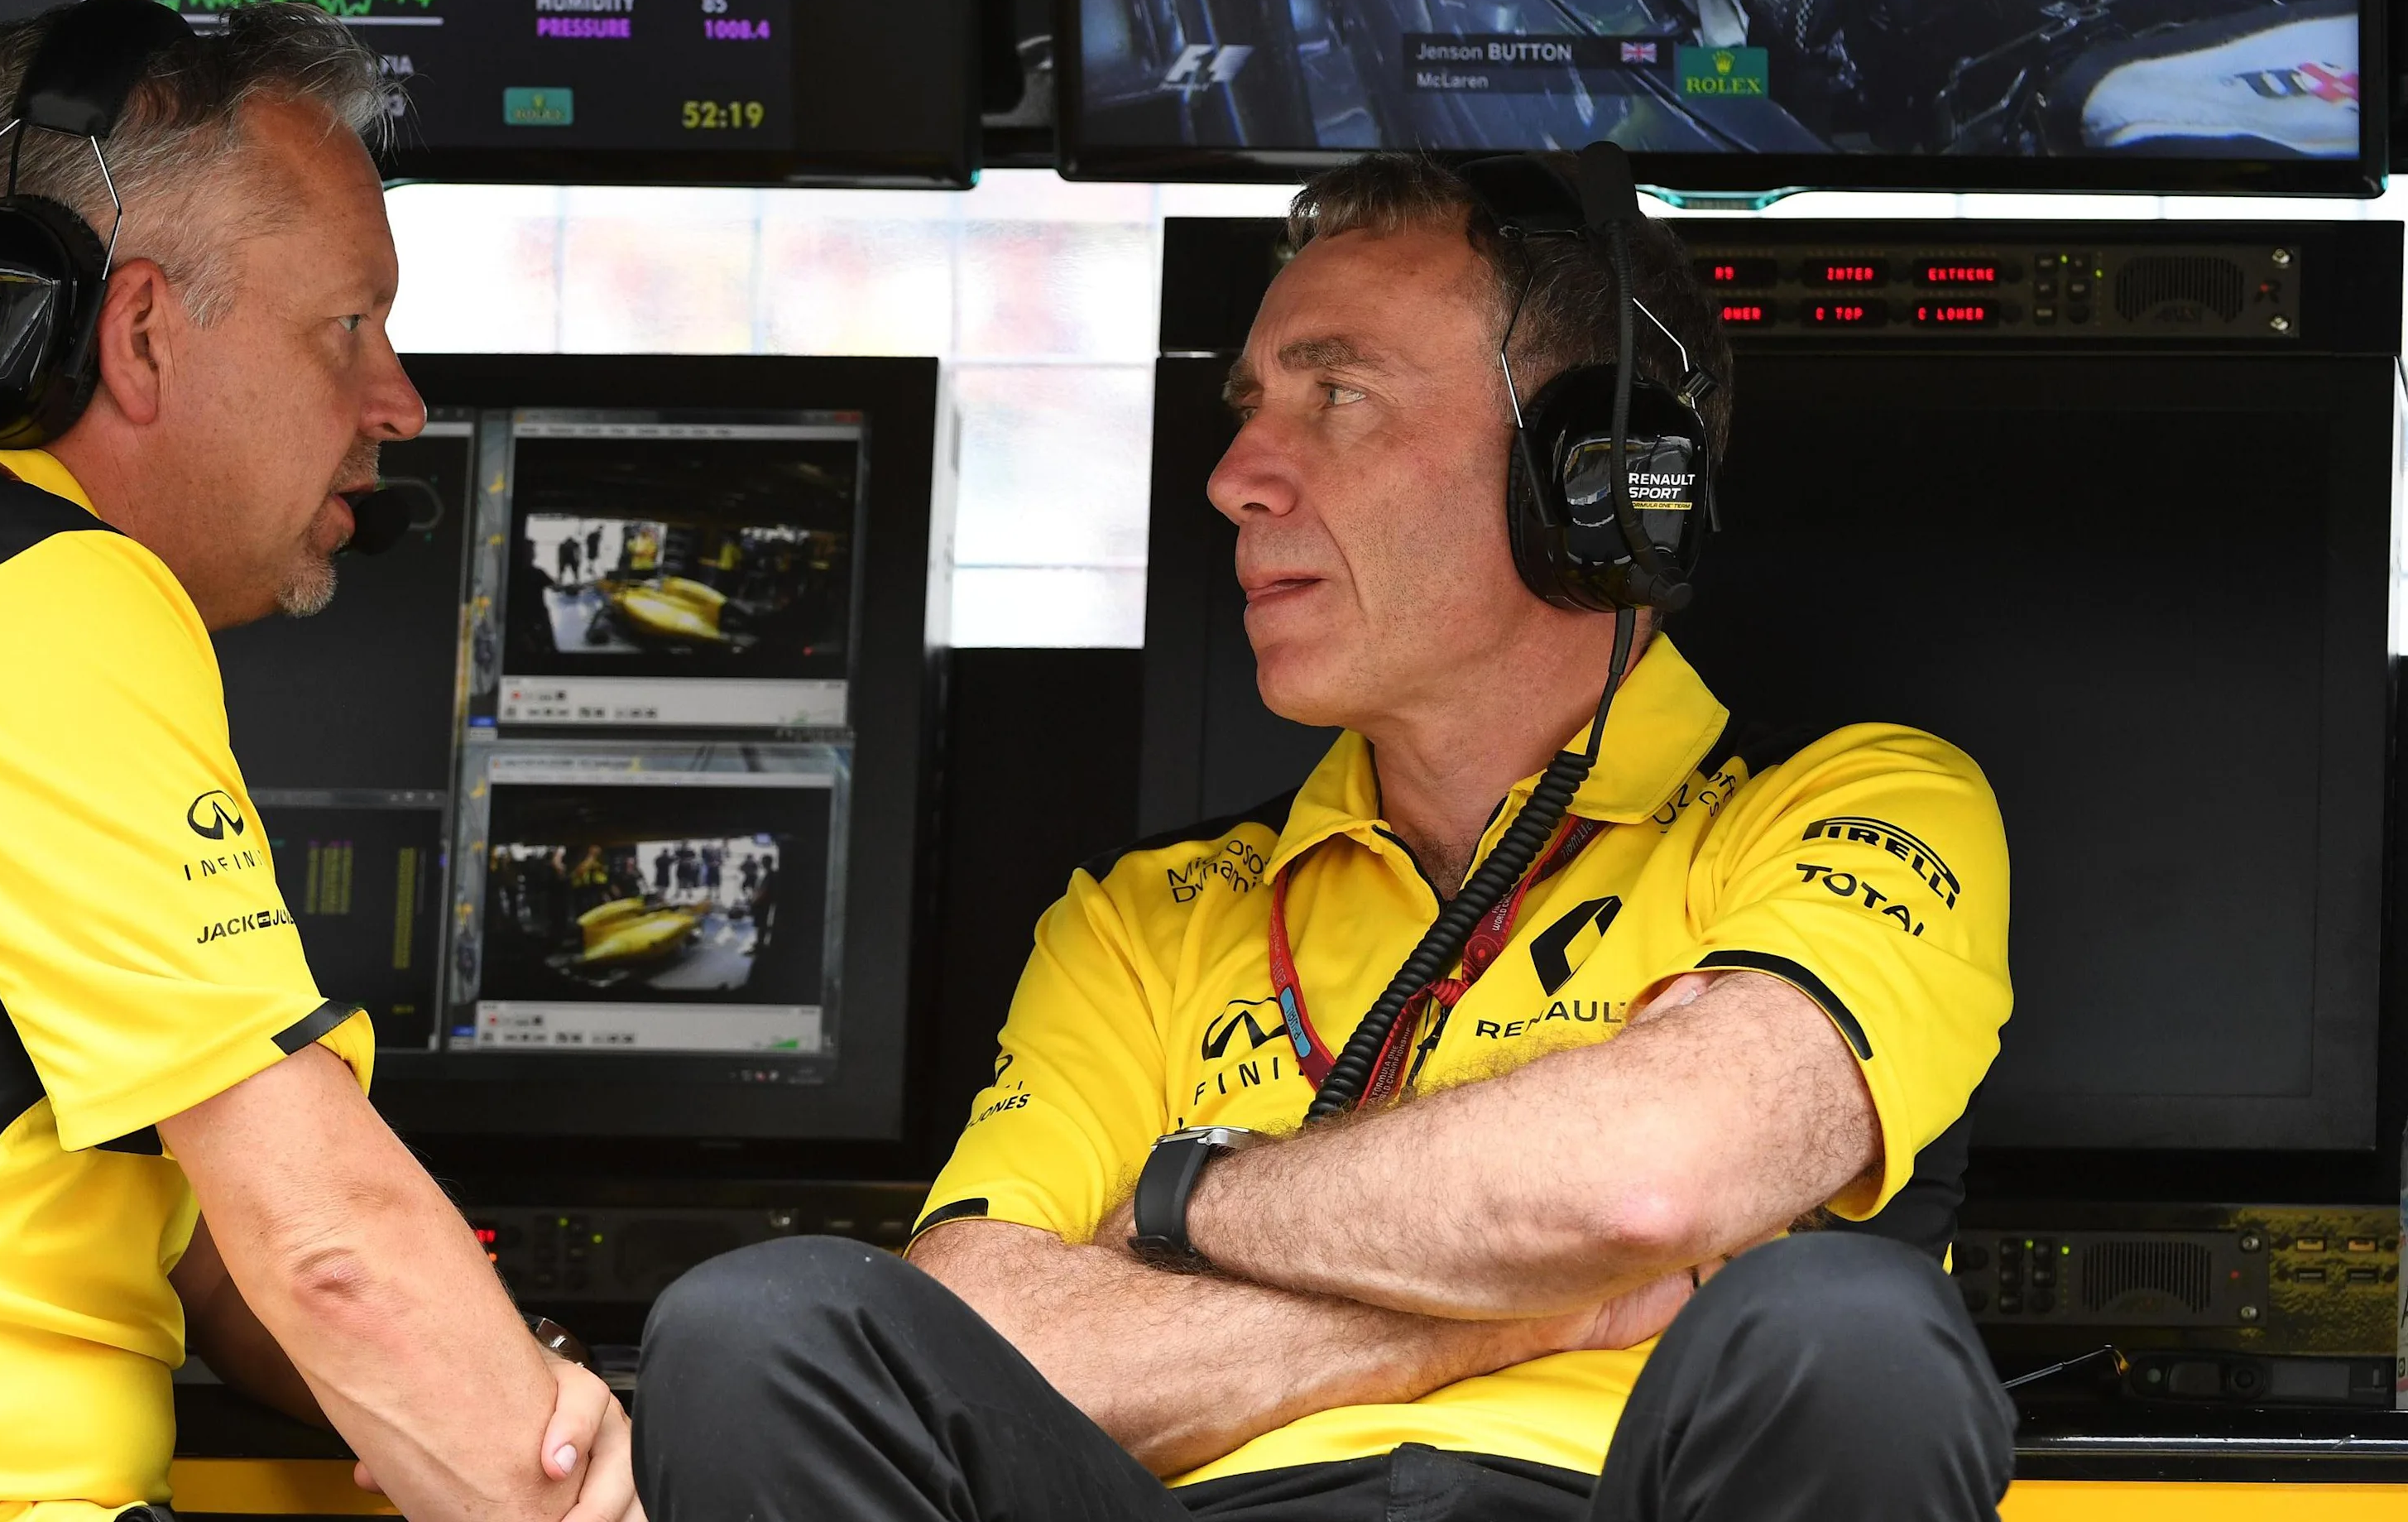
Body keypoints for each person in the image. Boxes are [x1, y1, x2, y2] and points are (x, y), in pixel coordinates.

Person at [632, 151, 2016, 1521]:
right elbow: (974, 1329)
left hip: (1623, 1498)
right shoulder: (1148, 914)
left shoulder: (1858, 806)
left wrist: (1184, 1199)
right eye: (1251, 408)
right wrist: (1503, 1313)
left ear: (1590, 477)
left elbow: (1652, 1179)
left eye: (1338, 394)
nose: (1238, 476)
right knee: (767, 1324)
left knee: (1849, 1322)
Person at [0, 0, 634, 1522]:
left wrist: (514, 1376)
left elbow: (229, 1251)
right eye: (348, 325)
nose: (397, 401)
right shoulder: (43, 598)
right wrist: (584, 1474)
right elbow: (326, 1249)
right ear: (141, 332)